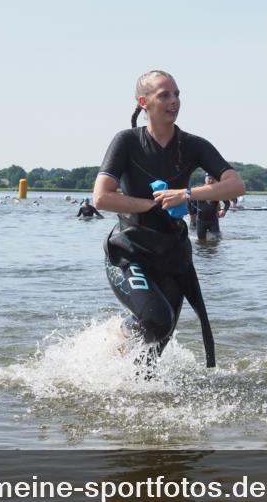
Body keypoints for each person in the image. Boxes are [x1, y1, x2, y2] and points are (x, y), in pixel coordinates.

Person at [92, 70, 245, 371]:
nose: (174, 101)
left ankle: (135, 393)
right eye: (165, 95)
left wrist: (186, 194)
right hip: (128, 253)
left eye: (177, 94)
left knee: (155, 348)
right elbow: (102, 197)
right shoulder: (126, 141)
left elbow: (236, 185)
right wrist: (152, 204)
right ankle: (119, 332)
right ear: (144, 102)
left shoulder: (193, 145)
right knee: (155, 320)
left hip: (173, 257)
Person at [193, 174, 228, 240]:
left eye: (213, 179)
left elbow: (227, 203)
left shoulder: (218, 191)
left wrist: (224, 210)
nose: (211, 180)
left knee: (217, 240)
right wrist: (192, 213)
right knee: (201, 241)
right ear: (205, 179)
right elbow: (188, 199)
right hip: (201, 221)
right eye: (209, 178)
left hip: (213, 221)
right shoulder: (198, 190)